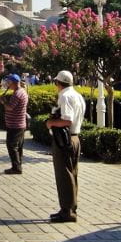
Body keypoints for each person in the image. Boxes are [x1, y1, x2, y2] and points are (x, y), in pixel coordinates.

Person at [45, 70, 85, 223]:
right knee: (71, 174)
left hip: (65, 138)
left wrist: (51, 123)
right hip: (74, 138)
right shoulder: (77, 95)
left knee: (64, 176)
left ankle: (67, 211)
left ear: (58, 83)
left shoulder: (65, 96)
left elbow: (67, 121)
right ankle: (70, 208)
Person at [0, 74, 28, 175]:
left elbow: (10, 107)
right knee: (18, 146)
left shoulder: (17, 94)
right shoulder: (21, 92)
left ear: (13, 83)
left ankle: (16, 168)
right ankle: (18, 166)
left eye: (9, 83)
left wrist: (3, 101)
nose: (7, 85)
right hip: (19, 124)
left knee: (12, 146)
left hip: (15, 125)